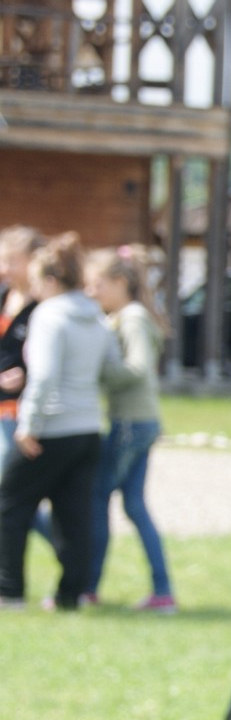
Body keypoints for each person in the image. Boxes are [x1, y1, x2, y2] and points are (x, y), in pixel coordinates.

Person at [0, 233, 122, 610]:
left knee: (8, 504)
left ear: (51, 281)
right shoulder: (96, 315)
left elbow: (45, 375)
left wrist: (29, 425)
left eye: (37, 281)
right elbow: (112, 367)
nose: (34, 288)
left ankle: (9, 592)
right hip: (88, 427)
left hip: (51, 426)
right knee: (74, 515)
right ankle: (72, 595)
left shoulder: (49, 315)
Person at [82, 245, 174, 611]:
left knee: (97, 499)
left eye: (98, 284)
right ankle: (163, 592)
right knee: (134, 506)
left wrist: (95, 367)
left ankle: (88, 588)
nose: (91, 292)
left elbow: (137, 368)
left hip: (129, 424)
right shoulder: (127, 315)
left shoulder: (131, 318)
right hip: (141, 421)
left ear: (120, 282)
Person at [0, 225, 45, 467]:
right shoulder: (2, 296)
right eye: (2, 261)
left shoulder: (44, 306)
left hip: (24, 409)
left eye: (12, 261)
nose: (4, 269)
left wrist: (26, 374)